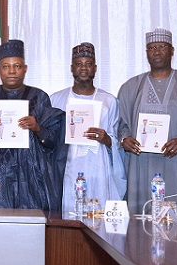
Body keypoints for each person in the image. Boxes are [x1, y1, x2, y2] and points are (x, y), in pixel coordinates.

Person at [0, 39, 65, 211]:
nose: (11, 71)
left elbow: (52, 141)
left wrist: (37, 128)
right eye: (6, 67)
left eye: (17, 66)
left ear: (25, 69)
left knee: (29, 223)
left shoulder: (39, 97)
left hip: (30, 178)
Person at [118, 28, 177, 215]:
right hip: (141, 163)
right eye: (152, 48)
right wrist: (124, 139)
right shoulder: (131, 87)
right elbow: (121, 124)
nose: (156, 52)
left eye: (161, 47)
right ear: (146, 53)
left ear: (172, 50)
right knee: (140, 219)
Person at [50, 42, 126, 214]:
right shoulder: (56, 100)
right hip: (68, 169)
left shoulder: (109, 101)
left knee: (98, 216)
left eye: (88, 64)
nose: (83, 68)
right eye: (78, 64)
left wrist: (106, 139)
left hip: (99, 170)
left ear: (95, 68)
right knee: (70, 214)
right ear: (72, 68)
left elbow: (115, 141)